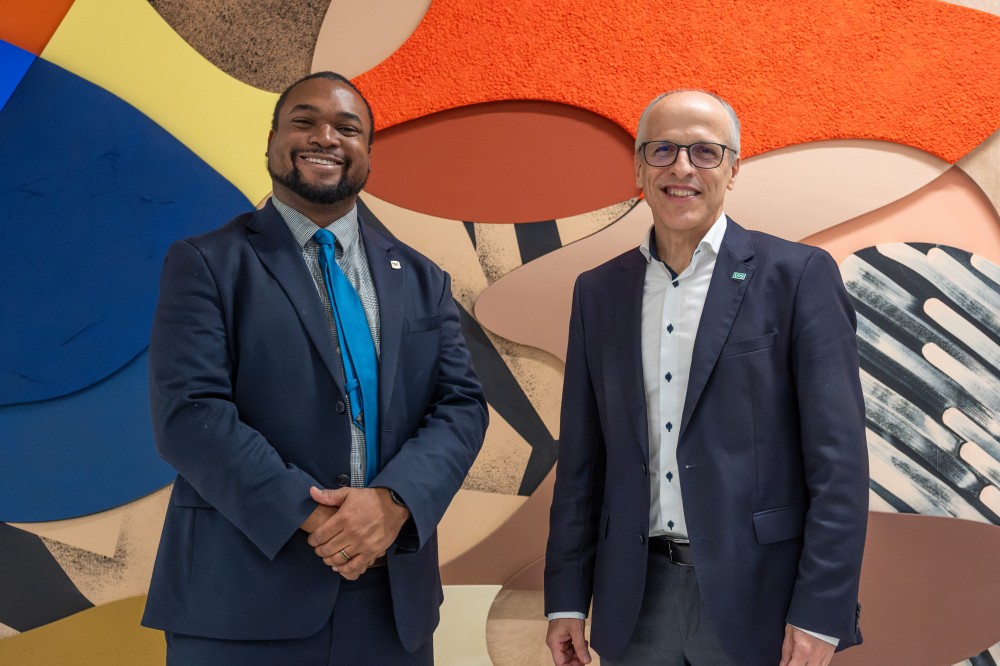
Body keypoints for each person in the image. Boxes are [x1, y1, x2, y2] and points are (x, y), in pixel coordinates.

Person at [141, 71, 488, 664]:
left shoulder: (424, 278)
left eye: (347, 128)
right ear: (272, 141)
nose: (324, 136)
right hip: (242, 598)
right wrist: (316, 516)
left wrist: (393, 503)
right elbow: (189, 414)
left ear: (367, 155)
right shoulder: (206, 263)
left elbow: (460, 406)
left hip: (390, 603)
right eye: (304, 121)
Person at [543, 90, 868, 666]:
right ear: (639, 167)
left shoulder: (798, 278)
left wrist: (822, 610)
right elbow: (581, 464)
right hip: (633, 602)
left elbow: (838, 466)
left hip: (759, 599)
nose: (682, 168)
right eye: (663, 150)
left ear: (734, 168)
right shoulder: (598, 293)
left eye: (705, 152)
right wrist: (566, 598)